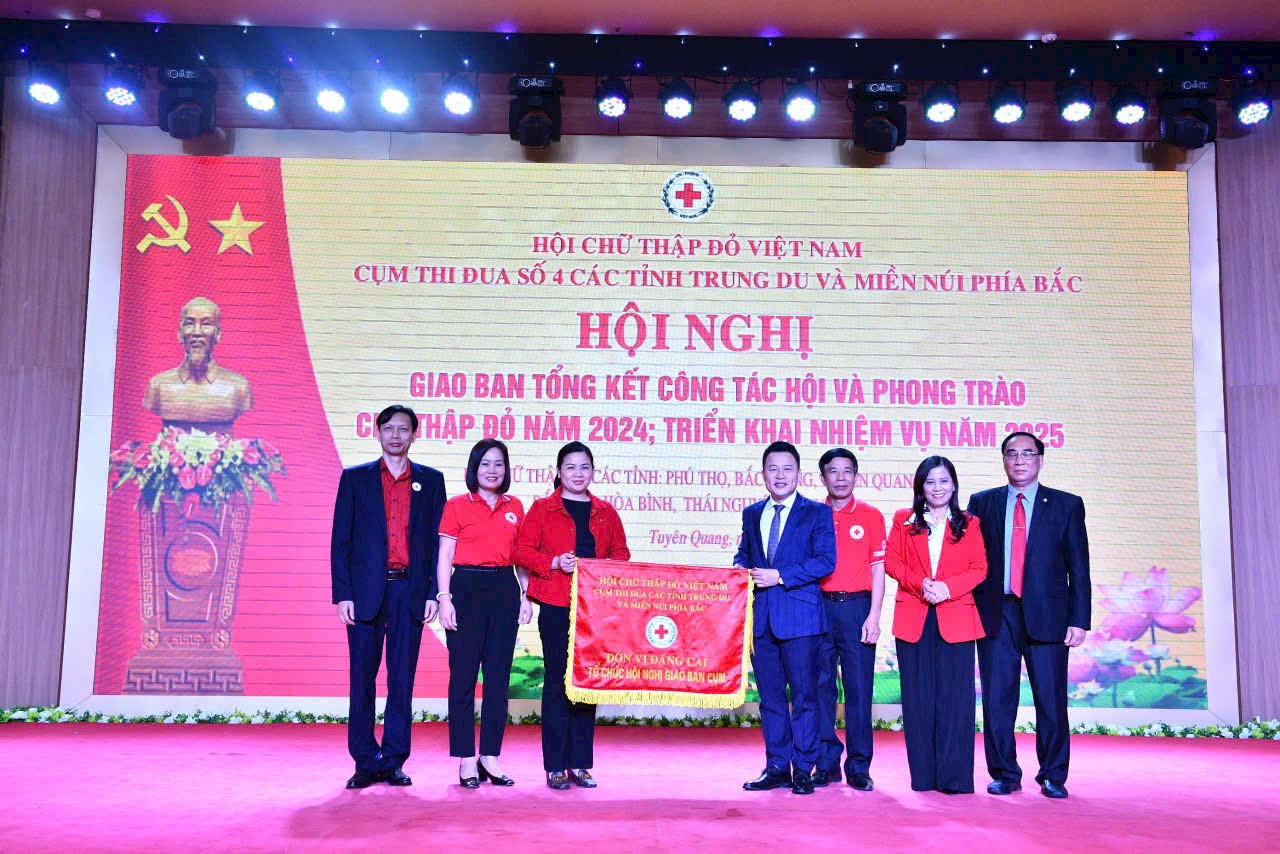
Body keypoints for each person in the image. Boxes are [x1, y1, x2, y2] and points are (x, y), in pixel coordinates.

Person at [968, 431, 1090, 799]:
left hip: (1049, 616)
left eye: (1027, 453)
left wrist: (1079, 619)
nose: (1019, 460)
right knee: (997, 699)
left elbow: (1079, 568)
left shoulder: (1066, 505)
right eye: (1012, 454)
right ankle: (1004, 773)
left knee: (1050, 700)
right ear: (1003, 459)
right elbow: (972, 562)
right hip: (997, 613)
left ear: (1040, 459)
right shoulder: (982, 503)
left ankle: (1053, 775)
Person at [330, 404, 446, 789]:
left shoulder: (431, 481)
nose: (396, 436)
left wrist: (433, 592)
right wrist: (343, 594)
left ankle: (394, 759)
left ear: (415, 434)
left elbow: (436, 544)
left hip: (408, 591)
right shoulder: (355, 479)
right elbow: (341, 542)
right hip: (364, 593)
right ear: (377, 432)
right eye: (389, 428)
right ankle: (365, 761)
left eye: (403, 429)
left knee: (401, 680)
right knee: (362, 678)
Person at [514, 441, 630, 791]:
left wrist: (601, 568)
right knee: (556, 682)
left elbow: (622, 555)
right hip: (556, 604)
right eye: (571, 467)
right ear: (559, 471)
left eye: (584, 467)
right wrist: (553, 562)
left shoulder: (606, 512)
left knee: (586, 682)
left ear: (593, 472)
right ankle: (554, 765)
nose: (578, 474)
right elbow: (521, 552)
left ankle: (580, 763)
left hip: (594, 609)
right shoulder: (542, 509)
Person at [736, 441, 836, 796]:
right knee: (771, 699)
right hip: (762, 620)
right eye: (773, 469)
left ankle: (803, 768)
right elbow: (744, 553)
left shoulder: (817, 513)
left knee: (805, 697)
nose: (780, 476)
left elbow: (826, 561)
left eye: (787, 469)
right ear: (763, 474)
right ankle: (777, 765)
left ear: (798, 474)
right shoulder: (752, 513)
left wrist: (780, 576)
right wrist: (740, 568)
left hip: (802, 620)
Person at [885, 456, 987, 794]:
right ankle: (924, 777)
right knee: (918, 700)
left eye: (943, 481)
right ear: (921, 486)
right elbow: (892, 562)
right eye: (930, 481)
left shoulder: (969, 523)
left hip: (955, 616)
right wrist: (921, 584)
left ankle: (954, 779)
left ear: (954, 485)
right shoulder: (904, 520)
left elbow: (979, 568)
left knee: (955, 701)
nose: (937, 488)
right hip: (914, 616)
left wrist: (947, 589)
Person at [437, 439, 533, 788]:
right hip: (465, 589)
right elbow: (445, 556)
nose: (492, 470)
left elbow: (521, 558)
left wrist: (526, 595)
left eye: (499, 464)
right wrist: (444, 598)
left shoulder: (515, 506)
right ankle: (466, 758)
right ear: (473, 468)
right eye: (485, 464)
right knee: (463, 678)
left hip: (504, 590)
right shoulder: (456, 506)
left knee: (497, 680)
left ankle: (490, 757)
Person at [814, 448, 887, 791]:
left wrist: (874, 615)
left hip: (858, 609)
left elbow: (878, 569)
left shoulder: (871, 516)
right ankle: (826, 762)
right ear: (822, 477)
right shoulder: (812, 515)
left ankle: (859, 765)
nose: (840, 478)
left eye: (847, 471)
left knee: (859, 689)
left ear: (856, 476)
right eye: (833, 471)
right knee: (821, 688)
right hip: (819, 610)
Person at [143, 296, 252, 433]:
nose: (197, 332)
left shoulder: (239, 386)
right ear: (179, 333)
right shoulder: (158, 385)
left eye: (206, 324)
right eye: (189, 324)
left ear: (218, 334)